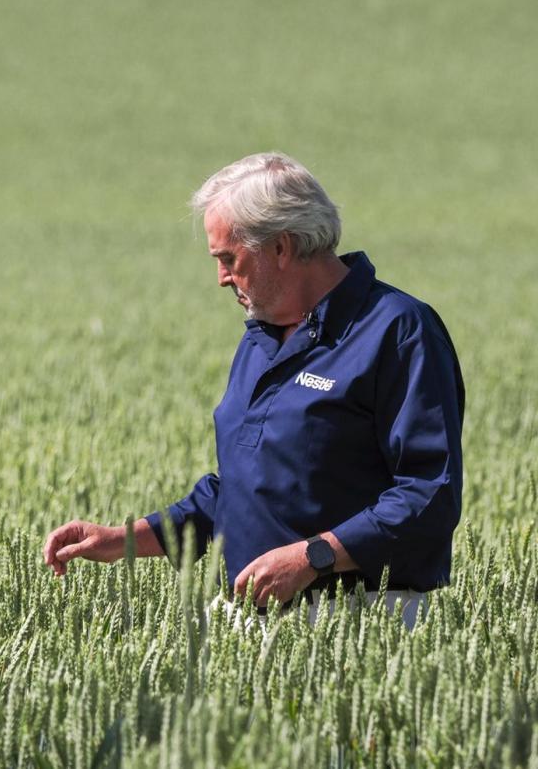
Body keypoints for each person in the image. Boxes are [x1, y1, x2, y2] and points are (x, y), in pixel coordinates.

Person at [42, 153, 464, 627]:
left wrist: (313, 558)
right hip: (244, 620)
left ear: (281, 247)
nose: (221, 276)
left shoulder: (398, 330)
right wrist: (123, 540)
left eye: (228, 258)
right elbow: (241, 491)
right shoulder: (261, 338)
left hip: (360, 622)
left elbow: (429, 493)